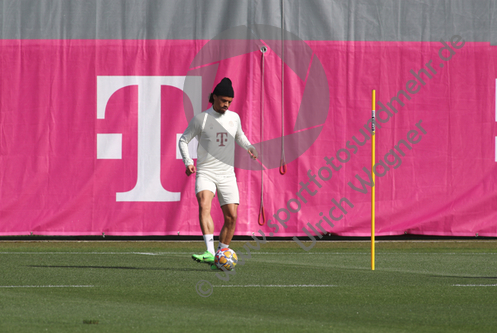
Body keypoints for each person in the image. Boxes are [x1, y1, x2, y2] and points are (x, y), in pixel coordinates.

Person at [178, 77, 258, 270]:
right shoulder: (201, 119)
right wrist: (188, 162)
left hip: (227, 174)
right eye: (223, 100)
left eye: (229, 102)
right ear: (214, 97)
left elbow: (240, 135)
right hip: (206, 172)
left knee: (231, 217)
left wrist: (249, 147)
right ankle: (209, 251)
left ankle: (221, 255)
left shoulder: (234, 118)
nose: (226, 105)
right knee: (204, 204)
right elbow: (183, 140)